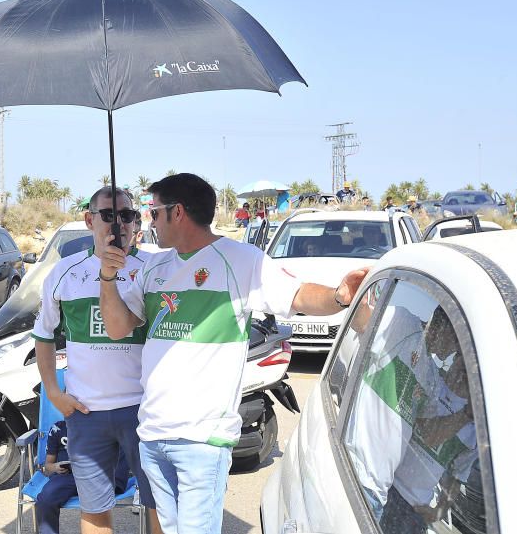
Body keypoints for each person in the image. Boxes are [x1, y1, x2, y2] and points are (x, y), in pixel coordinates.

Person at [96, 173, 368, 534]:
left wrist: (339, 296)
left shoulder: (240, 260)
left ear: (177, 213)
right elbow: (117, 327)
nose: (148, 222)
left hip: (202, 438)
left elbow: (298, 295)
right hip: (153, 435)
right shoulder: (154, 267)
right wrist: (107, 277)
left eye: (153, 212)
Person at [32, 186, 162, 534]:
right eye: (108, 214)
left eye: (127, 215)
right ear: (90, 220)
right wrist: (54, 394)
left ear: (137, 223)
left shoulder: (154, 269)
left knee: (160, 505)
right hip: (87, 414)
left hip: (145, 410)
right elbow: (43, 335)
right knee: (94, 510)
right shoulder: (65, 272)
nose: (118, 223)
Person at [33, 419, 133, 534]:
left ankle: (113, 482)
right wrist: (55, 467)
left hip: (100, 474)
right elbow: (48, 465)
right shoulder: (58, 428)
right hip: (67, 477)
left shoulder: (102, 422)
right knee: (45, 499)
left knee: (117, 435)